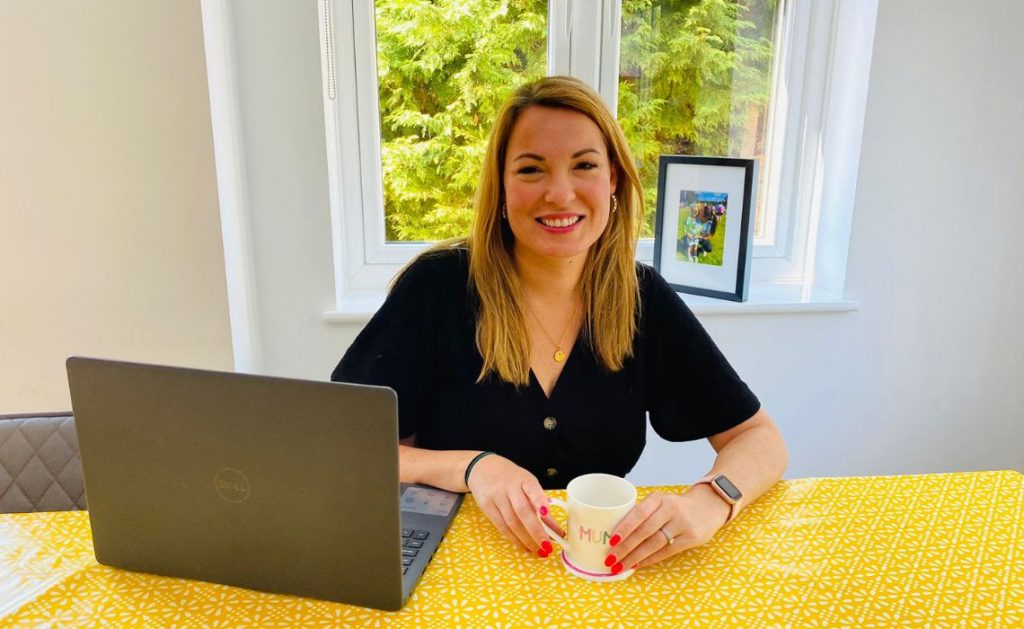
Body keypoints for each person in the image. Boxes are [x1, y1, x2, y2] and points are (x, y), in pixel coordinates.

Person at [332, 76, 787, 574]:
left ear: (613, 179)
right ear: (501, 186)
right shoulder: (437, 287)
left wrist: (712, 501)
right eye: (531, 169)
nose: (560, 192)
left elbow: (760, 439)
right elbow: (345, 441)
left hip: (596, 573)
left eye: (584, 165)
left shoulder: (641, 298)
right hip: (451, 570)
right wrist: (471, 466)